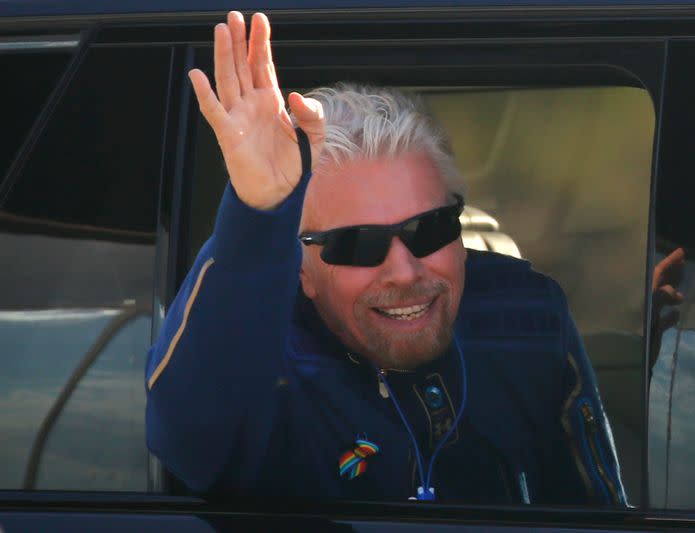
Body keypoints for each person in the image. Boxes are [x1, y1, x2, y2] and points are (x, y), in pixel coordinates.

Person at [145, 10, 626, 505]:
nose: (404, 271)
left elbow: (598, 510)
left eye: (429, 229)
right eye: (358, 244)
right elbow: (187, 442)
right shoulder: (268, 360)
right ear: (301, 270)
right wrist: (259, 213)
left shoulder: (527, 315)